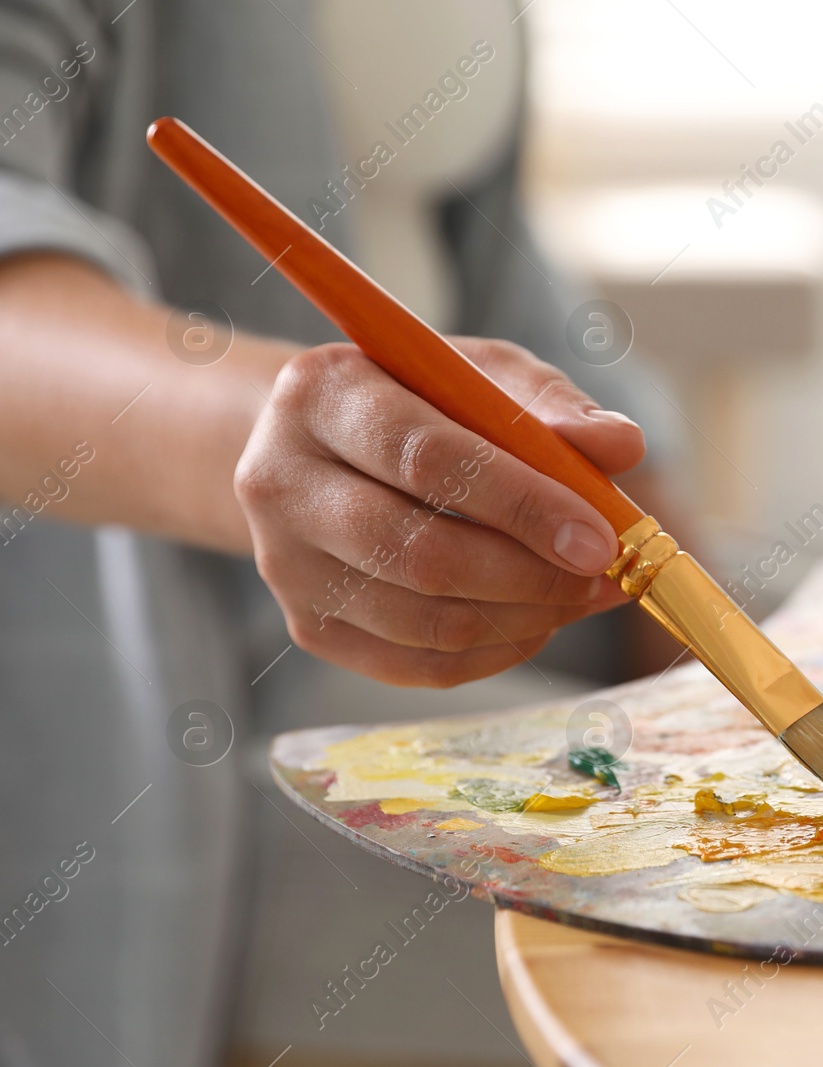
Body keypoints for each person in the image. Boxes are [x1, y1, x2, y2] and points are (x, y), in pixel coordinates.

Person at [0, 2, 676, 1063]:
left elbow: (487, 246)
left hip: (492, 594)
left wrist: (692, 608)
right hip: (191, 706)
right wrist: (280, 443)